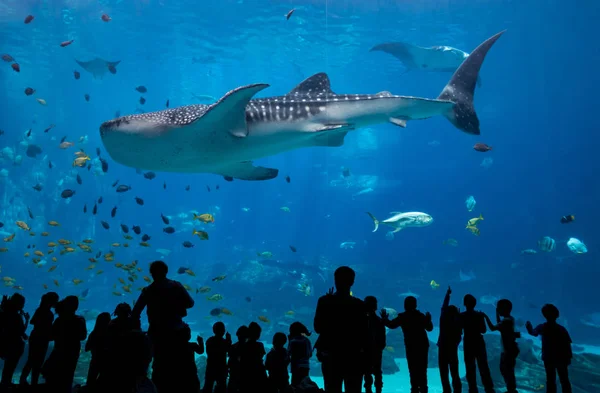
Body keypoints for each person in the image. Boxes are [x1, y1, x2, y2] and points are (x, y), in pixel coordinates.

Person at [132, 260, 195, 393]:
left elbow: (136, 311)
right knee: (177, 365)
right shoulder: (176, 286)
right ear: (166, 272)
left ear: (151, 274)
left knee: (159, 366)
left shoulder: (148, 290)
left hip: (156, 333)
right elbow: (190, 303)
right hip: (176, 333)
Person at [314, 266, 368, 393]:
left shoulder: (324, 301)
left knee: (332, 388)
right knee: (354, 389)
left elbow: (317, 328)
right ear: (352, 282)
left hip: (330, 355)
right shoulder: (359, 305)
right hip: (353, 356)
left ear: (335, 281)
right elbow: (365, 333)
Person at [382, 296, 433, 393]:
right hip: (422, 346)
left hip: (411, 347)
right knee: (422, 370)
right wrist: (428, 320)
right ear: (416, 305)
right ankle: (423, 389)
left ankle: (414, 389)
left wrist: (384, 318)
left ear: (405, 305)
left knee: (413, 370)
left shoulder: (403, 316)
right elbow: (430, 328)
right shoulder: (420, 316)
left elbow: (391, 325)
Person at [42, 295, 88, 393]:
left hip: (59, 350)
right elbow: (83, 336)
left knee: (54, 374)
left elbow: (51, 336)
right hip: (72, 352)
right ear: (76, 306)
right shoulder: (79, 320)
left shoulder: (59, 320)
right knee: (68, 375)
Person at [526, 304, 572, 393]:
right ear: (557, 315)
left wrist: (529, 329)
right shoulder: (561, 329)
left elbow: (533, 333)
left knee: (551, 380)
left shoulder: (543, 327)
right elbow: (567, 344)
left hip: (549, 357)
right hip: (560, 358)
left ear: (544, 315)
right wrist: (568, 358)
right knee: (564, 380)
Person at [20, 292, 59, 387]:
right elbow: (46, 327)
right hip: (42, 339)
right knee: (38, 362)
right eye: (56, 301)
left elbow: (33, 321)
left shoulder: (40, 309)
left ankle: (22, 380)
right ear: (52, 301)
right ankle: (34, 382)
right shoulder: (48, 313)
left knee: (31, 360)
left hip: (35, 336)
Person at [460, 294, 495, 393]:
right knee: (483, 366)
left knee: (470, 367)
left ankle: (472, 389)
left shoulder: (462, 316)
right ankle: (489, 388)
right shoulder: (479, 315)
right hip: (479, 341)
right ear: (475, 304)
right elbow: (483, 330)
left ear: (464, 304)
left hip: (468, 342)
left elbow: (460, 331)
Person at [483, 299, 520, 393]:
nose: (498, 310)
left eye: (499, 308)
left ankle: (511, 389)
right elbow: (499, 323)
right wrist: (496, 312)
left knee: (506, 370)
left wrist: (485, 317)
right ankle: (511, 388)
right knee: (508, 369)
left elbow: (492, 328)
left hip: (508, 350)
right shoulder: (510, 319)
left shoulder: (505, 321)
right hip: (511, 349)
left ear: (504, 309)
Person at [0, 293, 30, 387]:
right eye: (22, 303)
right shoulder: (16, 316)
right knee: (9, 368)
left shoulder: (3, 311)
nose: (23, 305)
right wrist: (26, 320)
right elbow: (20, 332)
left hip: (4, 344)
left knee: (7, 367)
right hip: (14, 346)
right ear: (18, 304)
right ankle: (6, 385)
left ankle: (4, 383)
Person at [437, 287, 462, 393]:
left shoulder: (443, 319)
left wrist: (448, 295)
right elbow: (459, 337)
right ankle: (457, 390)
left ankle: (446, 391)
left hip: (442, 349)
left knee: (444, 373)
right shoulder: (458, 322)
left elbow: (443, 307)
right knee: (455, 373)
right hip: (452, 350)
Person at [364, 296, 385, 393]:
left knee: (367, 372)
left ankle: (369, 389)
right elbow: (383, 338)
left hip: (366, 351)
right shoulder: (379, 320)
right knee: (377, 372)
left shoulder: (362, 320)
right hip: (376, 351)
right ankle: (378, 390)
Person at [203, 321, 231, 393]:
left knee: (208, 387)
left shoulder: (209, 340)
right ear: (223, 331)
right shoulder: (224, 342)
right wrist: (229, 340)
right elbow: (229, 350)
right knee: (222, 388)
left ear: (213, 330)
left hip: (210, 368)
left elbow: (208, 352)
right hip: (221, 369)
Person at [240, 322, 268, 393]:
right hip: (258, 372)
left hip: (246, 372)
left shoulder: (244, 345)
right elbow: (261, 355)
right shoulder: (260, 345)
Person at [85, 312, 112, 386]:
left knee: (90, 383)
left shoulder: (94, 333)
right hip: (108, 362)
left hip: (95, 361)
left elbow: (86, 348)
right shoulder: (112, 334)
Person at [288, 321, 312, 386]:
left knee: (295, 385)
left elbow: (288, 353)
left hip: (296, 367)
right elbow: (310, 354)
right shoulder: (307, 340)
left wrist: (289, 341)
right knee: (304, 385)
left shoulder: (293, 341)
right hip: (305, 367)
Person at [227, 325, 248, 393]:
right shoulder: (250, 348)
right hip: (245, 374)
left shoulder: (234, 346)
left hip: (234, 373)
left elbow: (230, 358)